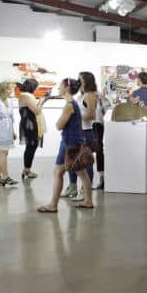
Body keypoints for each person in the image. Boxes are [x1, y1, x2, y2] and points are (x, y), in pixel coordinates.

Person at [37, 79, 94, 212]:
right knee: (81, 173)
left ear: (67, 88)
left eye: (60, 86)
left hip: (69, 143)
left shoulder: (69, 106)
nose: (58, 89)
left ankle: (53, 205)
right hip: (75, 141)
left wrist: (58, 120)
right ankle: (88, 201)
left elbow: (59, 126)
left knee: (58, 172)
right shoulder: (73, 103)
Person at [64, 72, 100, 200]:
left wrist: (75, 118)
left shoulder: (90, 95)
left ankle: (85, 190)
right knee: (71, 160)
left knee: (85, 162)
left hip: (86, 133)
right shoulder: (80, 96)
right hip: (76, 132)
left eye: (80, 79)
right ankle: (73, 187)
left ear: (86, 81)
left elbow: (92, 115)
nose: (77, 81)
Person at [17, 78, 45, 181]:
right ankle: (27, 170)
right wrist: (42, 101)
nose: (37, 89)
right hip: (30, 124)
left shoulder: (25, 95)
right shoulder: (27, 96)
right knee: (31, 147)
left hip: (29, 123)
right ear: (32, 87)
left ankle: (27, 170)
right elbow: (37, 111)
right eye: (36, 87)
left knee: (30, 147)